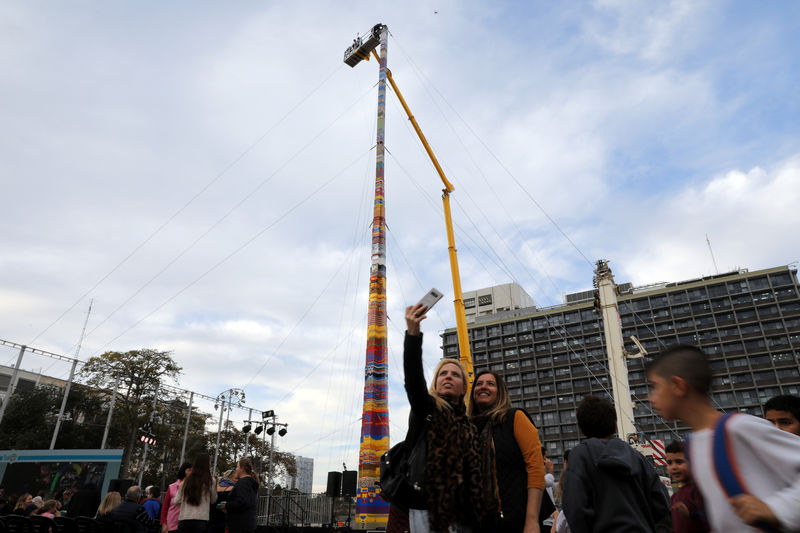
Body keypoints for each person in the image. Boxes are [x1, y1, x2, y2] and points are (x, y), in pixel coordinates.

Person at [646, 345, 800, 531]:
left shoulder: (738, 427)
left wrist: (776, 509)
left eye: (654, 387)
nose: (650, 398)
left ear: (678, 386)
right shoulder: (694, 444)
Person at [403, 302, 488, 533]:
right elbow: (413, 380)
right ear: (436, 383)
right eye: (443, 374)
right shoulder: (427, 409)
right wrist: (413, 333)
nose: (448, 377)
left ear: (464, 388)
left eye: (454, 374)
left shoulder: (469, 427)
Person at [561, 395, 670, 533]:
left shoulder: (580, 456)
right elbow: (661, 503)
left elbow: (575, 506)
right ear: (615, 426)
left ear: (581, 429)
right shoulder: (636, 457)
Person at [468, 370, 545, 533]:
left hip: (515, 519)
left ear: (500, 392)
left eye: (490, 384)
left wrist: (532, 520)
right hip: (478, 521)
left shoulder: (514, 417)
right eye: (479, 384)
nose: (483, 387)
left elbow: (536, 468)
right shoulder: (467, 429)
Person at [664, 440, 708, 533]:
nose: (673, 467)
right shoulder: (675, 496)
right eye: (669, 463)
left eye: (679, 462)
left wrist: (692, 513)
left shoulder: (699, 490)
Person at [174, 453, 217, 532]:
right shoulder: (210, 480)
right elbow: (213, 500)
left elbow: (176, 500)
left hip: (184, 519)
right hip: (201, 518)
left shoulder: (185, 481)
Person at [225, 458, 260, 533]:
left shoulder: (243, 483)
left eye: (237, 467)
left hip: (239, 525)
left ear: (242, 468)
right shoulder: (251, 483)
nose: (236, 469)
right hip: (248, 523)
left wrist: (226, 505)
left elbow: (242, 502)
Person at [161, 462, 192, 533]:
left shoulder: (193, 488)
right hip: (171, 525)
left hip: (186, 525)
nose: (191, 473)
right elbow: (165, 507)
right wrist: (164, 524)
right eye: (189, 470)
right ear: (183, 471)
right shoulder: (172, 487)